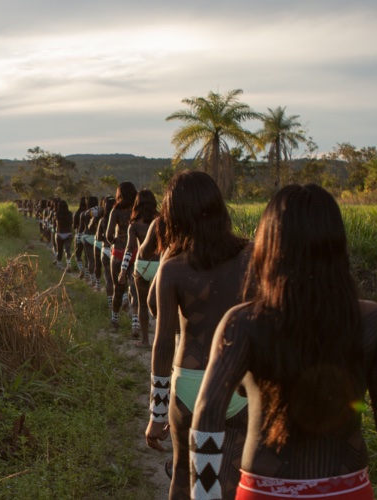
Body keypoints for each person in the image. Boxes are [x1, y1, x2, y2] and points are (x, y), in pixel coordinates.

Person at [188, 184, 377, 500]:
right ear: (337, 246)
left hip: (264, 491)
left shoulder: (242, 323)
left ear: (268, 247)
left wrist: (205, 496)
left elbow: (207, 415)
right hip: (347, 490)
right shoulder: (371, 321)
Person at [145, 171, 253, 499]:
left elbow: (163, 342)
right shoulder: (252, 255)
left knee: (183, 473)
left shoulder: (174, 267)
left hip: (190, 384)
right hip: (241, 383)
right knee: (231, 481)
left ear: (173, 215)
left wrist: (157, 413)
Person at [118, 189, 160, 343]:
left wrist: (123, 269)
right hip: (159, 265)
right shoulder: (161, 222)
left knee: (142, 303)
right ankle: (162, 338)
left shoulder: (134, 225)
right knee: (161, 304)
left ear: (137, 204)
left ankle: (145, 340)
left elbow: (129, 249)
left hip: (141, 266)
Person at [106, 182, 138, 328]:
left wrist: (113, 242)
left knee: (117, 289)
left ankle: (115, 318)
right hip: (135, 253)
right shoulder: (138, 210)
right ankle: (135, 321)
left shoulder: (116, 211)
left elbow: (108, 234)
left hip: (118, 252)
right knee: (134, 287)